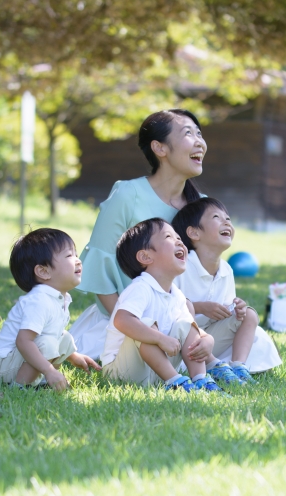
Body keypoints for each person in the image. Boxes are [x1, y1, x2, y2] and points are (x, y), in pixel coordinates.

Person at [69, 108, 207, 360]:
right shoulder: (127, 195)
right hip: (126, 321)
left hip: (186, 322)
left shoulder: (203, 207)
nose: (200, 141)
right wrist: (134, 328)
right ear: (159, 148)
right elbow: (101, 269)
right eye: (189, 133)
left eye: (200, 134)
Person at [101, 218, 226, 393]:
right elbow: (122, 320)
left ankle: (200, 380)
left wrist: (207, 339)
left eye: (178, 238)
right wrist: (160, 338)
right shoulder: (140, 288)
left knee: (186, 324)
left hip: (155, 371)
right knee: (144, 324)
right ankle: (176, 382)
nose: (179, 241)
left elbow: (189, 328)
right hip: (122, 372)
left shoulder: (176, 294)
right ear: (146, 256)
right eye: (169, 236)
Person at [172, 197, 282, 383]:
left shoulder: (226, 270)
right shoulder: (182, 266)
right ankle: (213, 366)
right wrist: (200, 308)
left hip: (210, 340)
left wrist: (236, 309)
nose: (227, 222)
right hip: (181, 344)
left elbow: (228, 311)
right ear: (194, 233)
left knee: (249, 316)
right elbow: (167, 308)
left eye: (228, 218)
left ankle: (238, 366)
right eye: (216, 217)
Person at [0, 228, 101, 391]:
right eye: (69, 256)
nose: (78, 260)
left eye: (75, 254)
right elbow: (23, 341)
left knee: (64, 337)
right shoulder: (39, 300)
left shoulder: (59, 298)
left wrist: (73, 356)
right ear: (43, 271)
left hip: (18, 360)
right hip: (3, 365)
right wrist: (49, 370)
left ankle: (35, 379)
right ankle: (18, 387)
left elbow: (55, 334)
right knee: (46, 342)